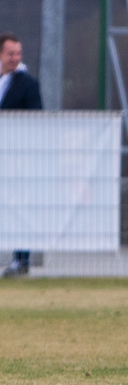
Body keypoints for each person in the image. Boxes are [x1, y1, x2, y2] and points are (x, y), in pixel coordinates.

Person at [0, 32, 43, 278]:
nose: (15, 58)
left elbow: (35, 120)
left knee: (20, 208)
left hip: (18, 158)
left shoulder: (28, 84)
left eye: (18, 53)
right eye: (10, 53)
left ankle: (21, 259)